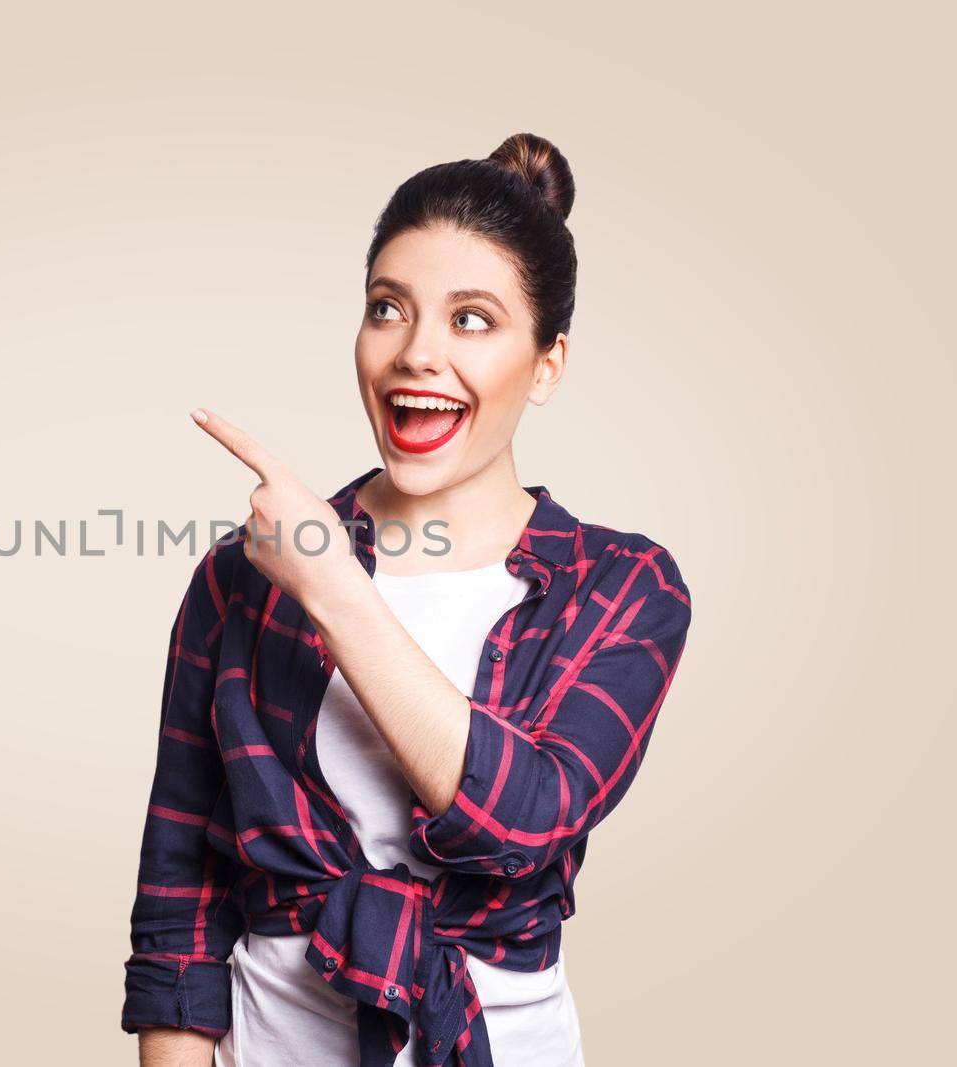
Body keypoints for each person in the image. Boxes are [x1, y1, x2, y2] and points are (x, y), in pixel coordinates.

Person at [120, 132, 694, 1067]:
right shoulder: (240, 579)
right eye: (388, 309)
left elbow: (521, 822)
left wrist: (333, 587)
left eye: (473, 320)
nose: (416, 352)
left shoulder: (623, 588)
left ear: (546, 364)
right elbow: (180, 887)